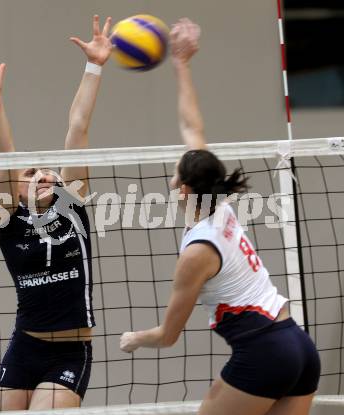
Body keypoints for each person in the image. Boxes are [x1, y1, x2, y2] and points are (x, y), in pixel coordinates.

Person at [120, 18, 321, 415]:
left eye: (174, 174)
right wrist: (181, 63)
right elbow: (192, 127)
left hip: (264, 354)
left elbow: (168, 336)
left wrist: (134, 339)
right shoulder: (220, 205)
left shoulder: (196, 252)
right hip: (298, 346)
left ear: (184, 189)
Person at [0, 15, 113, 411]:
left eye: (48, 169)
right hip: (24, 346)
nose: (44, 174)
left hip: (69, 351)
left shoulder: (72, 206)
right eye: (32, 173)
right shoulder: (7, 220)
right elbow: (5, 158)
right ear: (15, 187)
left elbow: (77, 127)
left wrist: (94, 65)